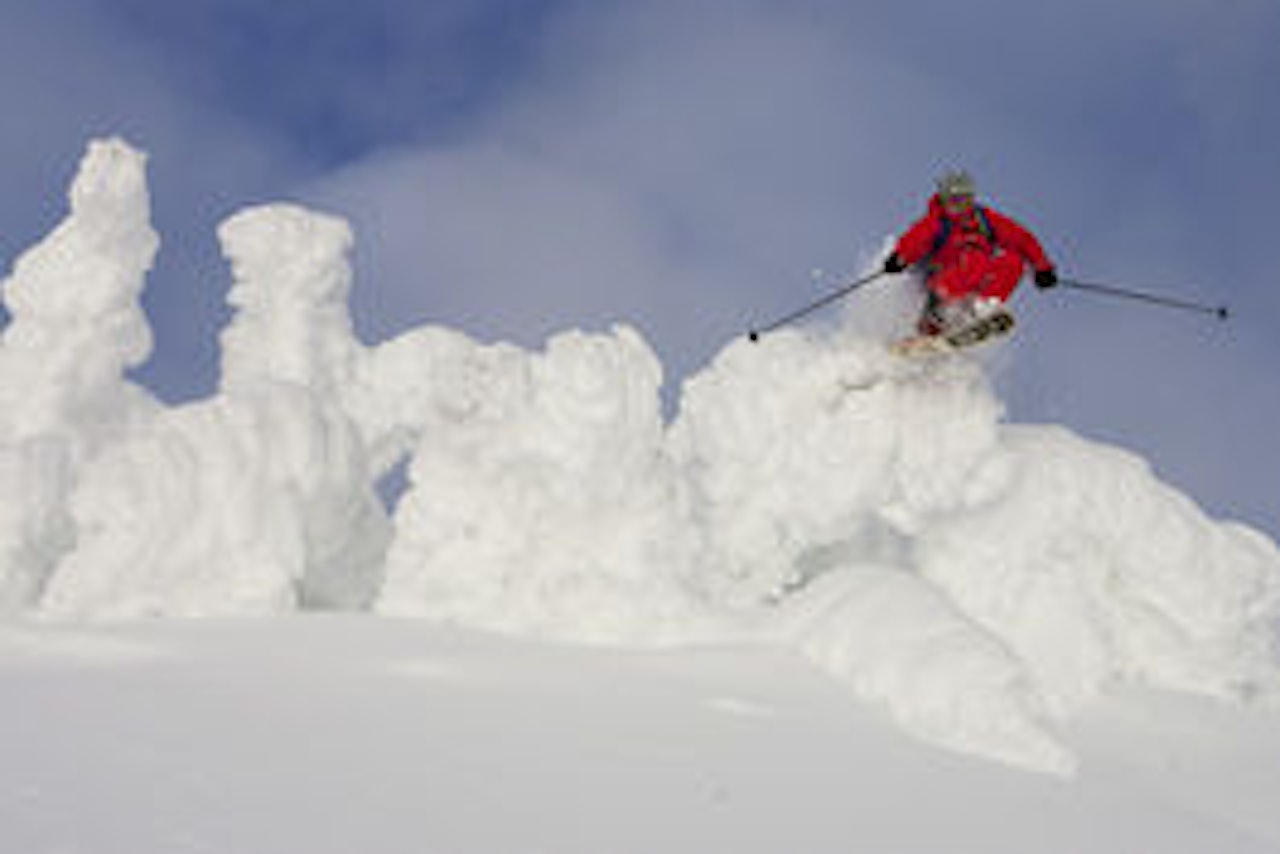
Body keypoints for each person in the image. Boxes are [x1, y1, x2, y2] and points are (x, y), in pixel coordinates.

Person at [883, 170, 1058, 339]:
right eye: (952, 200)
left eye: (963, 199)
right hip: (942, 281)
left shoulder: (985, 220)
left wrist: (1042, 268)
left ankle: (984, 308)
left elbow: (1021, 239)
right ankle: (935, 318)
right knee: (973, 260)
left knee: (1013, 261)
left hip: (974, 285)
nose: (958, 205)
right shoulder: (937, 222)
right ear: (943, 200)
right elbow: (915, 239)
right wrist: (899, 258)